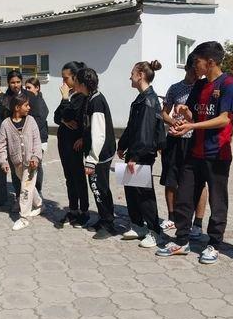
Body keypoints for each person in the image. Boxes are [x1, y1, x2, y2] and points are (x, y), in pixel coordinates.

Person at [156, 41, 233, 264]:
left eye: (197, 62)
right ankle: (181, 240)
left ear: (210, 62)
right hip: (195, 152)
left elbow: (223, 119)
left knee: (217, 201)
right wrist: (184, 114)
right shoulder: (200, 85)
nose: (195, 66)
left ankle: (214, 244)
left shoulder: (229, 85)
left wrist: (191, 126)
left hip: (217, 154)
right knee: (184, 196)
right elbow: (194, 114)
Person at [117, 60, 166, 248]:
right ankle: (137, 225)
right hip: (134, 152)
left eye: (132, 73)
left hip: (142, 154)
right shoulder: (140, 99)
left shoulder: (148, 101)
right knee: (131, 189)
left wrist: (135, 158)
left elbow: (145, 133)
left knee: (144, 194)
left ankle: (155, 231)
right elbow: (132, 127)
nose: (130, 77)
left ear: (141, 75)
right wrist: (122, 145)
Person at [160, 54, 208, 239]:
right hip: (174, 139)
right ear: (187, 68)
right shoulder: (175, 88)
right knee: (170, 179)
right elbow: (164, 113)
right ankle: (172, 217)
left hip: (194, 139)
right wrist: (173, 122)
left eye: (199, 71)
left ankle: (198, 223)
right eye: (194, 70)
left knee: (198, 182)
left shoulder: (204, 88)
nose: (197, 75)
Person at [0, 70, 47, 209]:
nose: (15, 85)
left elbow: (41, 115)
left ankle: (37, 196)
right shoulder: (4, 99)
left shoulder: (30, 96)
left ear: (21, 82)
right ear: (8, 83)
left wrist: (31, 133)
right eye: (12, 82)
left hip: (31, 139)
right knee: (16, 170)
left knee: (34, 168)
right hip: (13, 141)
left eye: (18, 82)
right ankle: (19, 197)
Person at [73, 67, 116, 239]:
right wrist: (84, 139)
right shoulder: (89, 98)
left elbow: (99, 133)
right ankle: (103, 219)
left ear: (83, 84)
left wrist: (91, 159)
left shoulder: (96, 101)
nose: (74, 83)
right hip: (96, 152)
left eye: (76, 81)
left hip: (100, 155)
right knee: (96, 186)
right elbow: (90, 127)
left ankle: (109, 224)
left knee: (100, 188)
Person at [0, 94, 43, 230]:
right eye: (26, 105)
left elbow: (37, 142)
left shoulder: (31, 121)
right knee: (29, 186)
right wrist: (3, 162)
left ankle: (24, 218)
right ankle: (40, 205)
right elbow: (1, 146)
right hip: (17, 164)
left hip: (31, 164)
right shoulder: (6, 124)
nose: (29, 108)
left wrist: (35, 157)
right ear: (17, 107)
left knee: (25, 189)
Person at [53, 61, 90, 229]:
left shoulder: (81, 97)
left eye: (65, 78)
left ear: (75, 77)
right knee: (69, 177)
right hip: (63, 142)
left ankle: (84, 211)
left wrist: (64, 100)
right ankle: (73, 209)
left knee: (78, 177)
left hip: (75, 143)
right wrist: (64, 120)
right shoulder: (70, 95)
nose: (63, 82)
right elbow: (56, 116)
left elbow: (71, 115)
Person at [24, 77, 49, 192]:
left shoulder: (39, 102)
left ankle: (37, 190)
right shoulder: (29, 101)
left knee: (37, 164)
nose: (27, 90)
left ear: (37, 88)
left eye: (29, 88)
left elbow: (39, 121)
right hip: (30, 138)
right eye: (25, 88)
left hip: (39, 139)